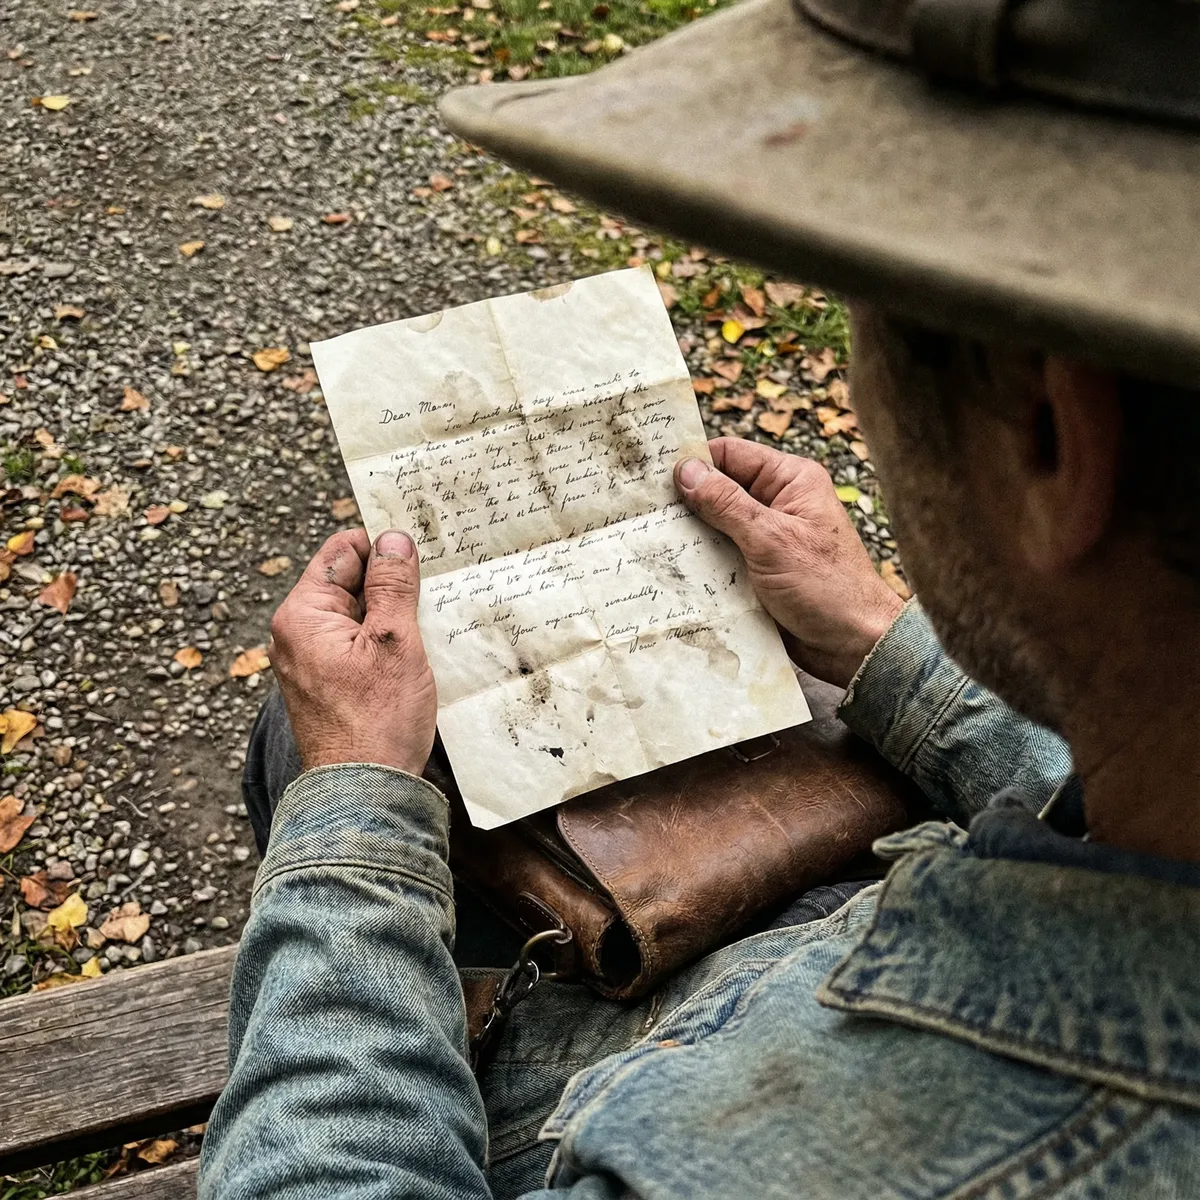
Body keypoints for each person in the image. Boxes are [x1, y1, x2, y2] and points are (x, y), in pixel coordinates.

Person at [198, 0, 1200, 1195]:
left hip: (607, 1075)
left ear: (1054, 435)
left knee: (321, 743)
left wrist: (355, 804)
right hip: (859, 925)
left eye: (864, 314)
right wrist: (882, 643)